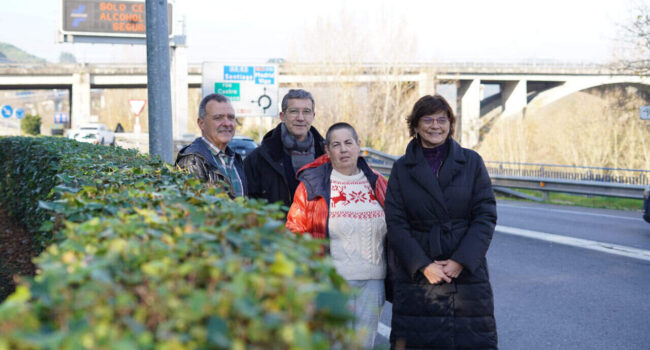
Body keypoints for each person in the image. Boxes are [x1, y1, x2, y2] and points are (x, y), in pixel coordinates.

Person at [385, 95, 498, 349]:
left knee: (469, 339)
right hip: (419, 273)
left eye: (441, 119)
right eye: (427, 119)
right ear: (415, 126)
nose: (435, 126)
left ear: (450, 124)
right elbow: (396, 223)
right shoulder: (402, 168)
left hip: (466, 273)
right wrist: (423, 265)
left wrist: (461, 261)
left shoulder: (471, 162)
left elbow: (485, 215)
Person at [286, 123, 388, 349]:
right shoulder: (311, 186)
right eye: (336, 145)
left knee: (363, 345)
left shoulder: (379, 183)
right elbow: (295, 232)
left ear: (359, 146)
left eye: (349, 143)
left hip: (373, 283)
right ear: (327, 151)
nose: (343, 149)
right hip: (331, 283)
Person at [244, 89, 326, 209]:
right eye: (294, 111)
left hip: (319, 227)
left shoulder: (327, 154)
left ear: (313, 116)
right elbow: (250, 205)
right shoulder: (258, 159)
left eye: (306, 112)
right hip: (277, 227)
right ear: (282, 116)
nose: (301, 118)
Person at [175, 93, 246, 198]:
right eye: (218, 118)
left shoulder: (234, 159)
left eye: (231, 117)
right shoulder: (192, 161)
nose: (227, 123)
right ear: (201, 123)